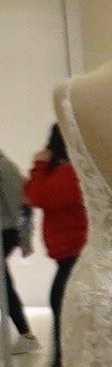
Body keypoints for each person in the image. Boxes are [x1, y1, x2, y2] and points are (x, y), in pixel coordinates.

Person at [21, 127, 84, 367]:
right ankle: (61, 365)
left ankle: (61, 366)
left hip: (74, 250)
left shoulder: (70, 171)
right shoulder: (70, 169)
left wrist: (39, 165)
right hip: (71, 250)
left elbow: (39, 196)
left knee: (61, 305)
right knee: (61, 305)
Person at [0, 149, 31, 354]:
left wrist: (24, 237)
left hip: (5, 232)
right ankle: (26, 335)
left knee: (4, 285)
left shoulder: (4, 167)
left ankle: (26, 335)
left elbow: (22, 205)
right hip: (6, 231)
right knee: (3, 284)